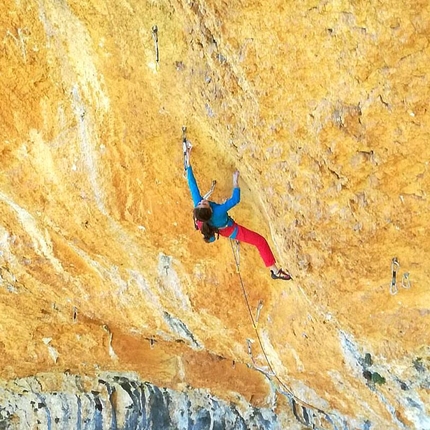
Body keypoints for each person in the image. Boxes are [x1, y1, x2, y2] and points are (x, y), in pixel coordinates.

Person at [185, 146, 291, 281]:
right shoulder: (218, 211)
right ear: (210, 209)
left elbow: (192, 184)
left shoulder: (199, 208)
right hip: (231, 230)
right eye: (204, 203)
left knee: (208, 222)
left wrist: (188, 161)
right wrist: (235, 182)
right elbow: (235, 200)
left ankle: (274, 271)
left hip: (214, 227)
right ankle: (274, 271)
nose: (203, 201)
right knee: (260, 241)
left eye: (201, 203)